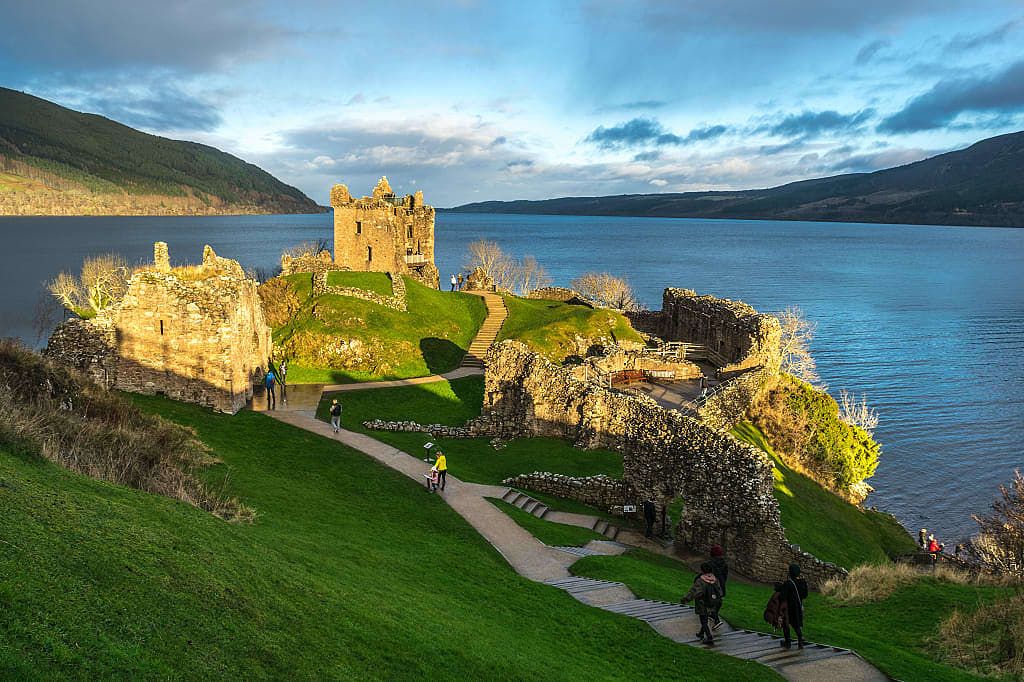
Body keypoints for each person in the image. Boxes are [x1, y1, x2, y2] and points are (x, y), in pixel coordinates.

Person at [681, 562, 722, 646]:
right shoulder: (715, 579)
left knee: (704, 621)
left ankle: (709, 637)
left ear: (702, 570)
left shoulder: (701, 581)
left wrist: (685, 599)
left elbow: (694, 592)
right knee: (705, 618)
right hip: (712, 603)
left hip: (702, 604)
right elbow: (720, 592)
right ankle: (700, 633)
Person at [774, 563, 808, 648]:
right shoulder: (803, 582)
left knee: (786, 624)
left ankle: (787, 642)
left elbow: (783, 597)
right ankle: (800, 641)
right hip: (798, 607)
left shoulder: (788, 583)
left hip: (788, 608)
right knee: (796, 625)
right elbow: (805, 595)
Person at [709, 546, 729, 630]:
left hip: (712, 585)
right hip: (720, 584)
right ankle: (714, 615)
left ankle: (715, 618)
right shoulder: (724, 563)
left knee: (710, 601)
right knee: (718, 600)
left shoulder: (710, 563)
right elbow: (725, 576)